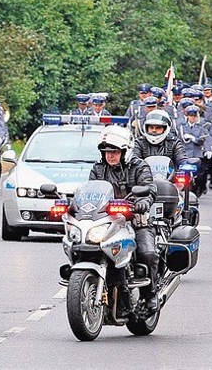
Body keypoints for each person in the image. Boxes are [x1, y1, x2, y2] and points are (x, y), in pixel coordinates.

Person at [89, 125, 159, 312]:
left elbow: (149, 188)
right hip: (107, 222)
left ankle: (150, 295)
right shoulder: (98, 168)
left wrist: (143, 201)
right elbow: (91, 191)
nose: (110, 155)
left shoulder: (139, 166)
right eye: (106, 152)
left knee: (147, 253)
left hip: (135, 220)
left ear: (125, 151)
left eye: (114, 151)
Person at [178, 105, 212, 197]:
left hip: (196, 153)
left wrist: (193, 138)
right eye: (191, 116)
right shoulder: (181, 127)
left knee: (199, 176)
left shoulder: (200, 127)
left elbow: (202, 139)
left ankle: (197, 190)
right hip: (184, 154)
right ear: (187, 116)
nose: (192, 118)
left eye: (194, 116)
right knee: (182, 176)